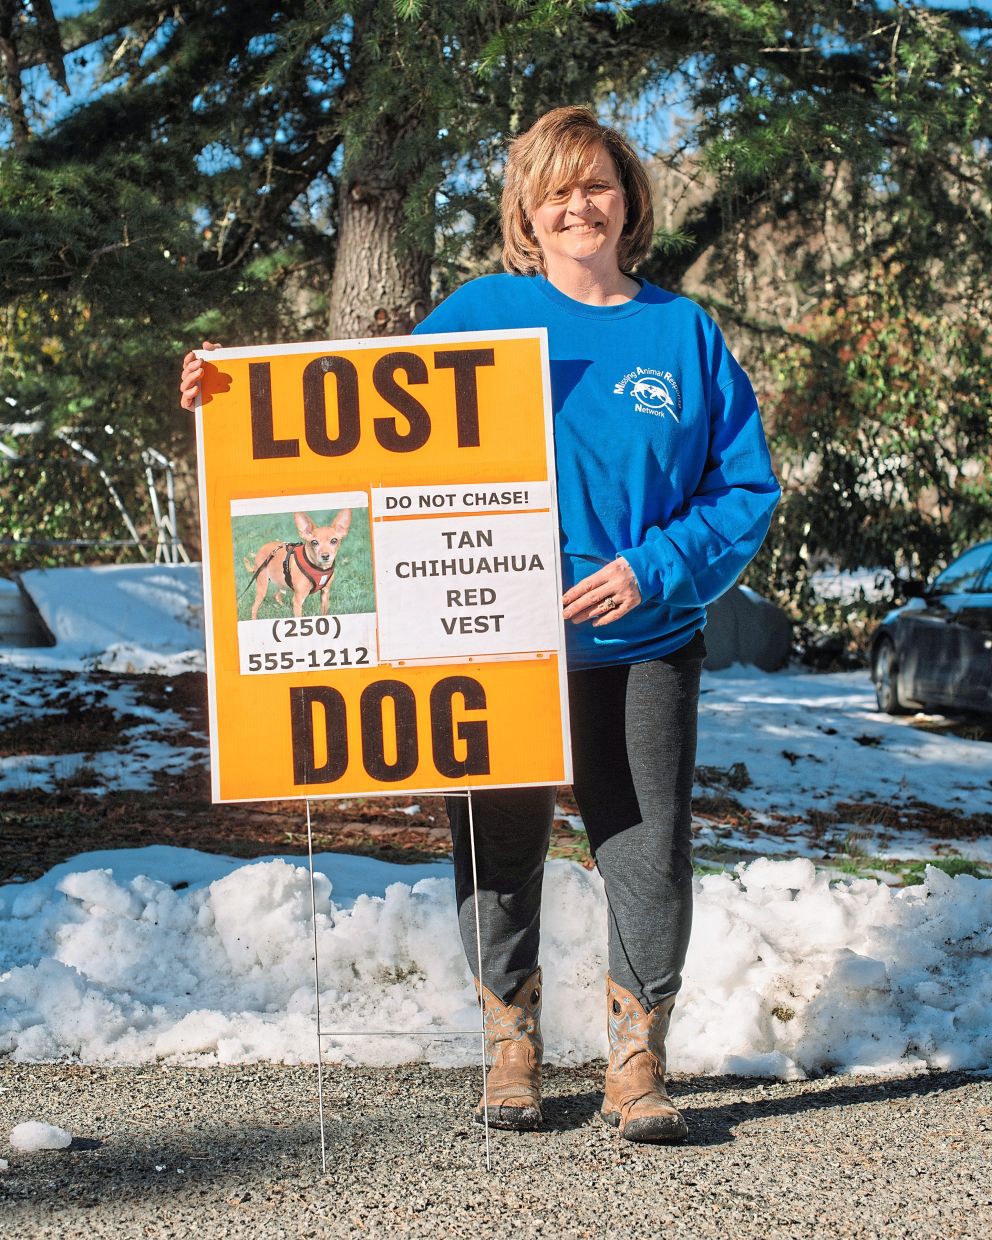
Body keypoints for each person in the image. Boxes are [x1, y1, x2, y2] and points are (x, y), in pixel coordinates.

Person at [180, 106, 780, 1146]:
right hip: (494, 640)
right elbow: (351, 431)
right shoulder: (481, 314)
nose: (576, 205)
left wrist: (654, 568)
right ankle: (511, 1042)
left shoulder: (678, 334)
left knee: (645, 850)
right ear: (524, 213)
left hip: (638, 640)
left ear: (627, 198)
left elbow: (742, 490)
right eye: (554, 192)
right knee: (495, 844)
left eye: (594, 185)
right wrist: (229, 399)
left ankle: (634, 1062)